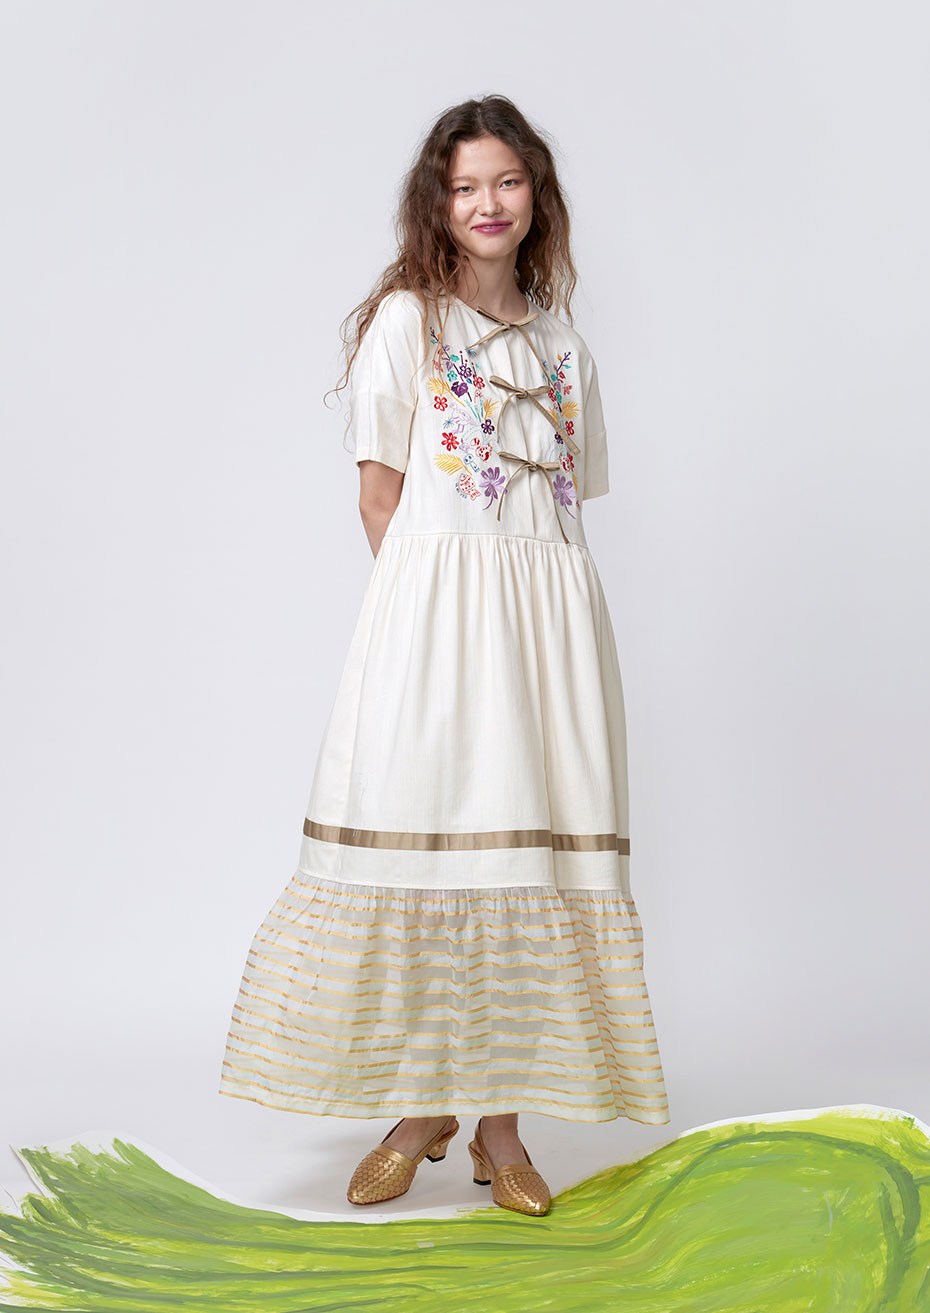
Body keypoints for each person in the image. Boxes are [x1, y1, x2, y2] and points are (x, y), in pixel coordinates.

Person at [218, 94, 671, 1218]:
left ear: (537, 197)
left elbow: (562, 511)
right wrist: (430, 624)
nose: (487, 203)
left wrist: (527, 627)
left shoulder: (566, 349)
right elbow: (380, 498)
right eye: (465, 186)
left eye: (507, 182)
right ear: (439, 201)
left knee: (529, 865)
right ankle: (421, 1108)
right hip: (434, 624)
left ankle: (500, 1130)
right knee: (429, 854)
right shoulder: (407, 325)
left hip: (551, 633)